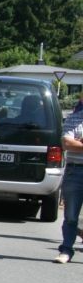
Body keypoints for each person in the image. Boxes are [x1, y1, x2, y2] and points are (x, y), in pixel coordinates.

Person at [55, 107, 83, 263]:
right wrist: (74, 143)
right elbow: (66, 143)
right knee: (71, 216)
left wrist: (79, 143)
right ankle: (66, 250)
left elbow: (73, 144)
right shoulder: (74, 118)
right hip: (75, 171)